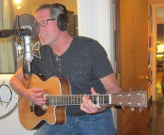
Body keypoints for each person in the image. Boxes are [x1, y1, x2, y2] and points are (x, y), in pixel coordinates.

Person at [10, 3, 121, 135]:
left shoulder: (90, 48)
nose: (38, 30)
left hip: (95, 119)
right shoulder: (40, 53)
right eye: (36, 25)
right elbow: (14, 80)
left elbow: (115, 89)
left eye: (43, 23)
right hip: (59, 120)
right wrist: (27, 94)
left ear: (61, 23)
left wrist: (100, 106)